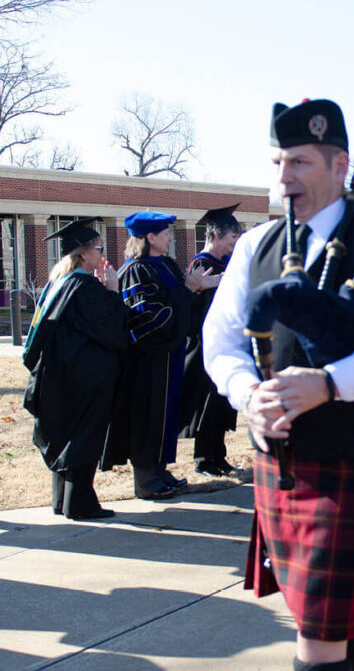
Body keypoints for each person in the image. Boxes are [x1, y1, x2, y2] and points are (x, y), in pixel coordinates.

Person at [201, 98, 354, 671]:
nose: (285, 177)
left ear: (339, 166)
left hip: (353, 460)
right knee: (353, 639)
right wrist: (248, 395)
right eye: (278, 163)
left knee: (320, 640)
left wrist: (331, 383)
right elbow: (220, 340)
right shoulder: (255, 245)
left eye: (301, 162)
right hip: (280, 463)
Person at [23, 217, 128, 520]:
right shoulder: (85, 287)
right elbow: (112, 327)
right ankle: (80, 504)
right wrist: (113, 291)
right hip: (85, 379)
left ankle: (62, 500)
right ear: (83, 254)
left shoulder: (58, 283)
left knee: (66, 435)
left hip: (58, 376)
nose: (102, 255)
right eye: (99, 249)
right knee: (84, 436)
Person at [102, 211, 210, 499]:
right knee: (148, 416)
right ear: (150, 237)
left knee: (165, 415)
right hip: (148, 361)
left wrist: (195, 290)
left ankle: (159, 470)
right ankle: (146, 479)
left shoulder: (164, 265)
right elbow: (147, 318)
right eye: (165, 234)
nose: (170, 238)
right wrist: (188, 290)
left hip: (168, 356)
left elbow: (181, 303)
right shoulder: (137, 270)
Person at [180, 204, 240, 477]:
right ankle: (203, 459)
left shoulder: (225, 265)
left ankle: (218, 455)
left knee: (221, 400)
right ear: (216, 235)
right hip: (205, 344)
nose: (234, 242)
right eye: (232, 237)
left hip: (226, 341)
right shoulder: (200, 265)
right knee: (207, 400)